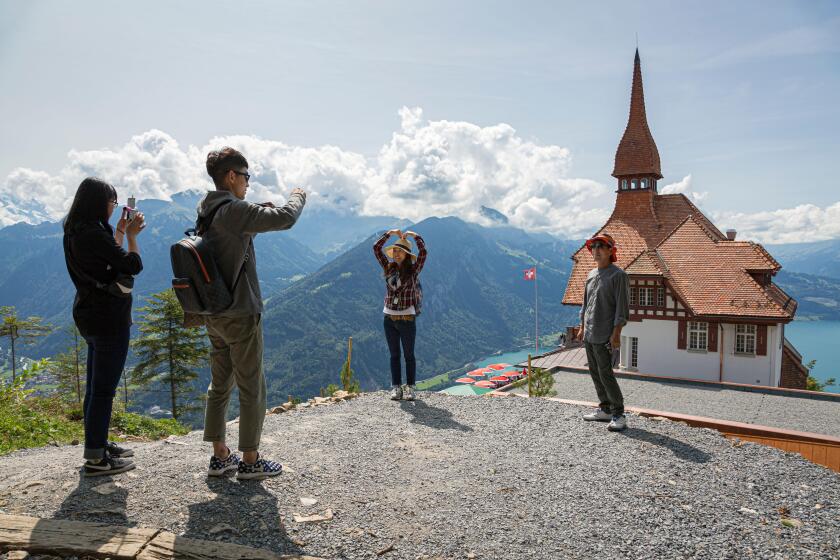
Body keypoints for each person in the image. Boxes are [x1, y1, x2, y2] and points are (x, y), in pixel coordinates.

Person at [199, 147, 306, 480]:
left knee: (220, 385)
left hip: (213, 312)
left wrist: (257, 211)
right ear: (231, 176)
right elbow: (286, 218)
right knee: (251, 387)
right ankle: (250, 460)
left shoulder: (207, 208)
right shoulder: (233, 210)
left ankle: (220, 457)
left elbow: (235, 234)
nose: (247, 183)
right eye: (246, 177)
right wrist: (297, 197)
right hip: (240, 312)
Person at [63, 177, 146, 476]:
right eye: (112, 202)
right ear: (100, 203)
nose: (114, 207)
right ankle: (96, 461)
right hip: (109, 318)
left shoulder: (75, 231)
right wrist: (134, 237)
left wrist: (121, 231)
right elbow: (131, 265)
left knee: (95, 387)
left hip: (88, 314)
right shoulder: (94, 234)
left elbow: (106, 262)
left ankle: (95, 445)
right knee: (103, 391)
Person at [576, 233, 630, 432]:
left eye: (601, 246)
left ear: (610, 251)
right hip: (590, 332)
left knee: (606, 374)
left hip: (605, 334)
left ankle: (619, 414)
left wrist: (616, 333)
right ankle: (605, 408)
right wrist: (582, 326)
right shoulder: (591, 274)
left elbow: (622, 309)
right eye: (593, 247)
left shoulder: (619, 276)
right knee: (595, 372)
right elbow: (585, 304)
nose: (596, 250)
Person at [373, 228, 427, 401]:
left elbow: (424, 253)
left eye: (400, 251)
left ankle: (410, 388)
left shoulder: (413, 270)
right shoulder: (388, 268)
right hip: (389, 319)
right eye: (394, 250)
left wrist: (415, 236)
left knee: (409, 355)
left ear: (406, 254)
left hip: (407, 319)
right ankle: (396, 388)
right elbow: (376, 248)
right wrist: (390, 233)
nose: (396, 253)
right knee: (394, 355)